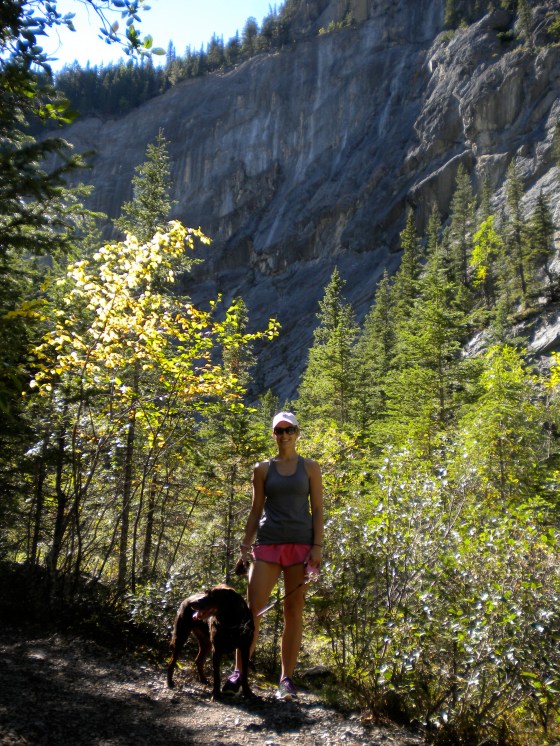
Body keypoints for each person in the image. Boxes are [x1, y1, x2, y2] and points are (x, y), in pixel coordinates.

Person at [223, 411, 324, 701]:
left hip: (301, 546)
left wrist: (318, 546)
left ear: (297, 432)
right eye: (279, 430)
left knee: (293, 611)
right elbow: (256, 510)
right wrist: (245, 545)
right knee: (251, 610)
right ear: (273, 434)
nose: (284, 435)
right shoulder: (263, 469)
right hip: (267, 544)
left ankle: (286, 680)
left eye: (289, 429)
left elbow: (318, 509)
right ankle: (239, 672)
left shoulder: (311, 467)